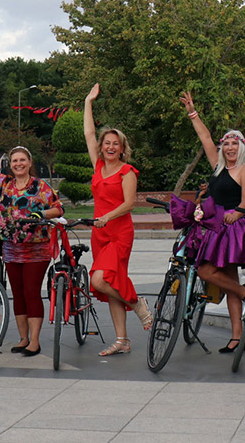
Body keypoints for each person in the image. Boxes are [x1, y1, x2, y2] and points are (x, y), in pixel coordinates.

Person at [0, 142, 64, 357]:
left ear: (29, 163)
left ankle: (35, 342)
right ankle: (23, 338)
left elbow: (58, 208)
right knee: (17, 293)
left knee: (31, 291)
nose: (19, 164)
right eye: (15, 161)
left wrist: (41, 215)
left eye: (22, 160)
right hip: (11, 246)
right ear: (11, 164)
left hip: (36, 247)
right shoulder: (4, 184)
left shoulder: (41, 186)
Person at [177, 92, 245, 353]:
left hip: (232, 227)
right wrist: (193, 112)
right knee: (226, 280)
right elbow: (205, 138)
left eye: (235, 144)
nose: (230, 148)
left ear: (242, 148)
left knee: (206, 272)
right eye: (227, 145)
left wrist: (239, 212)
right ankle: (238, 333)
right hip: (213, 227)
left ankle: (242, 304)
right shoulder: (218, 166)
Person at [83, 84, 152, 357]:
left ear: (122, 149)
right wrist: (88, 102)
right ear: (102, 147)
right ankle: (122, 340)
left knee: (99, 280)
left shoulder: (127, 171)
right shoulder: (98, 166)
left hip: (119, 232)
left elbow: (129, 203)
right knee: (112, 285)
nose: (110, 146)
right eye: (107, 143)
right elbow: (88, 132)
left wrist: (107, 217)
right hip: (99, 233)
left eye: (116, 144)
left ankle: (137, 303)